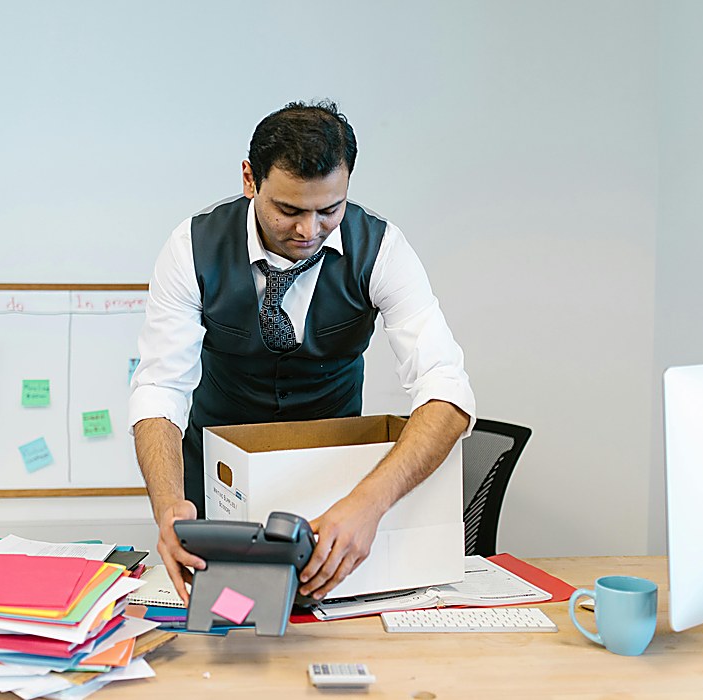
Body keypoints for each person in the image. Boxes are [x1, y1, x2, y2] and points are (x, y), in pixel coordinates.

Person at [129, 100, 475, 603]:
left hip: (336, 502)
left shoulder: (383, 249)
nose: (308, 231)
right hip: (216, 494)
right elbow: (161, 388)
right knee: (224, 634)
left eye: (329, 210)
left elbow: (447, 390)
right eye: (289, 210)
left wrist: (369, 505)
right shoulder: (191, 247)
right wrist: (167, 506)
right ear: (250, 179)